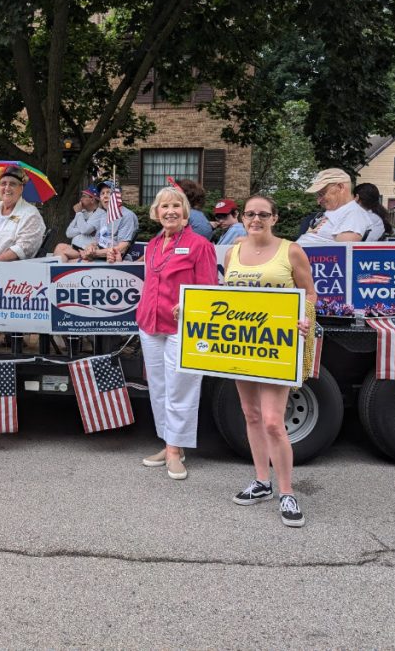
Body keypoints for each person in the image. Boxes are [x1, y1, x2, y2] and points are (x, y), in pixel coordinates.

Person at [223, 195, 316, 528]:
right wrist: (191, 310)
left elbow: (309, 292)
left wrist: (305, 317)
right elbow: (225, 296)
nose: (256, 219)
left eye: (263, 214)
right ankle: (262, 481)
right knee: (251, 414)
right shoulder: (232, 252)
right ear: (242, 218)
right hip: (242, 346)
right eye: (250, 214)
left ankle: (287, 492)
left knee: (274, 422)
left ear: (275, 218)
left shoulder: (291, 251)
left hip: (276, 347)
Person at [136, 186, 218, 481]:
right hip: (150, 323)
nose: (170, 211)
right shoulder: (153, 244)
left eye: (176, 205)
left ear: (185, 212)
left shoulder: (199, 245)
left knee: (181, 388)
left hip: (181, 326)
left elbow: (209, 288)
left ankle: (174, 449)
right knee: (158, 388)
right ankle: (170, 443)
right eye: (164, 206)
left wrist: (189, 303)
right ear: (156, 212)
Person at [296, 168, 373, 245]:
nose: (318, 201)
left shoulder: (353, 214)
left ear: (340, 187)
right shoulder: (343, 213)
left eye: (322, 194)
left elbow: (343, 249)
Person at [80, 181, 139, 262]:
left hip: (116, 260)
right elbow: (97, 241)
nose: (105, 196)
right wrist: (91, 247)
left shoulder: (127, 215)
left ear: (117, 196)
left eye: (109, 192)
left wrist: (95, 253)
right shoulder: (104, 216)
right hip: (99, 257)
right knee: (65, 254)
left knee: (77, 263)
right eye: (102, 193)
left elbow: (122, 248)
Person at [54, 185, 104, 262]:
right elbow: (68, 233)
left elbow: (85, 230)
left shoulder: (100, 213)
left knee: (62, 251)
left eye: (84, 196)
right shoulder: (81, 212)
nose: (81, 199)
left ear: (92, 200)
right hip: (75, 247)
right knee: (59, 246)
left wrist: (79, 214)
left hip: (87, 250)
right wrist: (81, 225)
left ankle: (59, 269)